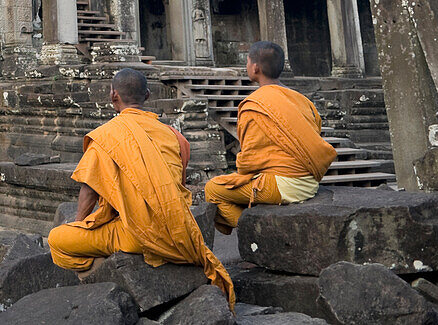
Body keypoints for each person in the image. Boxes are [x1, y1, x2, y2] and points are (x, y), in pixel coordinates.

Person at [47, 67, 234, 307]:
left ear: (113, 96)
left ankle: (103, 268)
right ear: (147, 95)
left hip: (137, 234)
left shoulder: (107, 136)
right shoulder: (175, 136)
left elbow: (90, 189)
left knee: (57, 239)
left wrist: (80, 223)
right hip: (180, 231)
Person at [204, 41, 337, 234]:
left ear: (255, 67)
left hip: (284, 186)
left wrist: (242, 174)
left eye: (248, 62)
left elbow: (249, 160)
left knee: (213, 189)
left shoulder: (255, 104)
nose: (247, 66)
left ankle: (257, 232)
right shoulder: (302, 100)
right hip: (309, 182)